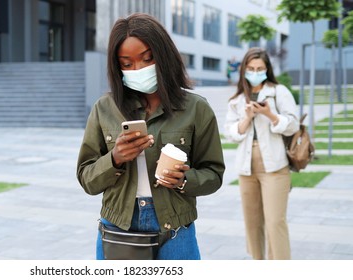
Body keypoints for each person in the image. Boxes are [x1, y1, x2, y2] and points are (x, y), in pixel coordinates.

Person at [76, 13, 225, 260]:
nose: (138, 69)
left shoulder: (197, 108)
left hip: (176, 229)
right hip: (118, 227)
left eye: (147, 59)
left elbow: (214, 174)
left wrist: (183, 179)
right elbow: (86, 178)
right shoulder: (104, 108)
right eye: (127, 63)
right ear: (117, 66)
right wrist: (114, 158)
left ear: (163, 55)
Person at [224, 47, 299, 260]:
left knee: (275, 222)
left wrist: (270, 115)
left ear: (267, 69)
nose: (255, 72)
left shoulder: (279, 91)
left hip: (274, 166)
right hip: (247, 168)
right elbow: (230, 133)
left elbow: (293, 124)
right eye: (251, 68)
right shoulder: (237, 99)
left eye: (260, 68)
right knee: (252, 222)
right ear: (244, 70)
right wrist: (246, 118)